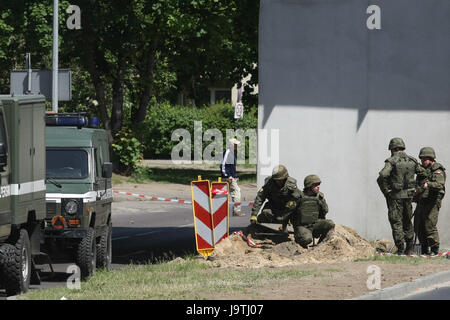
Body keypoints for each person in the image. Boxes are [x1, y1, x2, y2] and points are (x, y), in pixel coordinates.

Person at [376, 137, 424, 255]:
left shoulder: (392, 161)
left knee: (396, 222)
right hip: (409, 196)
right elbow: (424, 174)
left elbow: (382, 175)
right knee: (407, 221)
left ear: (393, 149)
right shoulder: (412, 161)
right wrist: (417, 189)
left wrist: (386, 191)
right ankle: (409, 248)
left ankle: (401, 249)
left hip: (395, 197)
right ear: (402, 148)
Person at [246, 165, 301, 234]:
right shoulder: (269, 183)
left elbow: (297, 198)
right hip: (273, 207)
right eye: (276, 180)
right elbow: (260, 197)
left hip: (286, 209)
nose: (278, 182)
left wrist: (290, 208)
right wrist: (254, 215)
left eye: (280, 180)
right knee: (265, 213)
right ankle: (262, 228)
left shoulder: (291, 184)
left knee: (296, 216)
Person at [413, 147, 446, 256]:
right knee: (418, 224)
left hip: (432, 202)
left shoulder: (437, 170)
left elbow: (440, 184)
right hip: (422, 201)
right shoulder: (423, 170)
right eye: (421, 159)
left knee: (429, 224)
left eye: (424, 159)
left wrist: (429, 184)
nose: (422, 161)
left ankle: (434, 248)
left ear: (430, 158)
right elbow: (419, 184)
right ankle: (424, 247)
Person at [291, 174, 335, 248]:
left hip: (315, 224)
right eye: (315, 185)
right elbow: (290, 212)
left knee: (330, 224)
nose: (318, 187)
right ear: (309, 186)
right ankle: (301, 246)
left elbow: (324, 211)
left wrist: (322, 201)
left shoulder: (319, 197)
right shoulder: (299, 197)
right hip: (303, 227)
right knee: (307, 239)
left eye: (319, 184)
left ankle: (320, 246)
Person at [221, 138, 244, 216]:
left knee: (229, 193)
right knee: (237, 191)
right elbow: (223, 165)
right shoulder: (228, 152)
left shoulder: (231, 152)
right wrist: (228, 176)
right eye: (235, 144)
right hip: (228, 177)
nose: (237, 146)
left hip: (231, 177)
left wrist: (235, 176)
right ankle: (236, 211)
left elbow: (231, 167)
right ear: (231, 145)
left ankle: (234, 211)